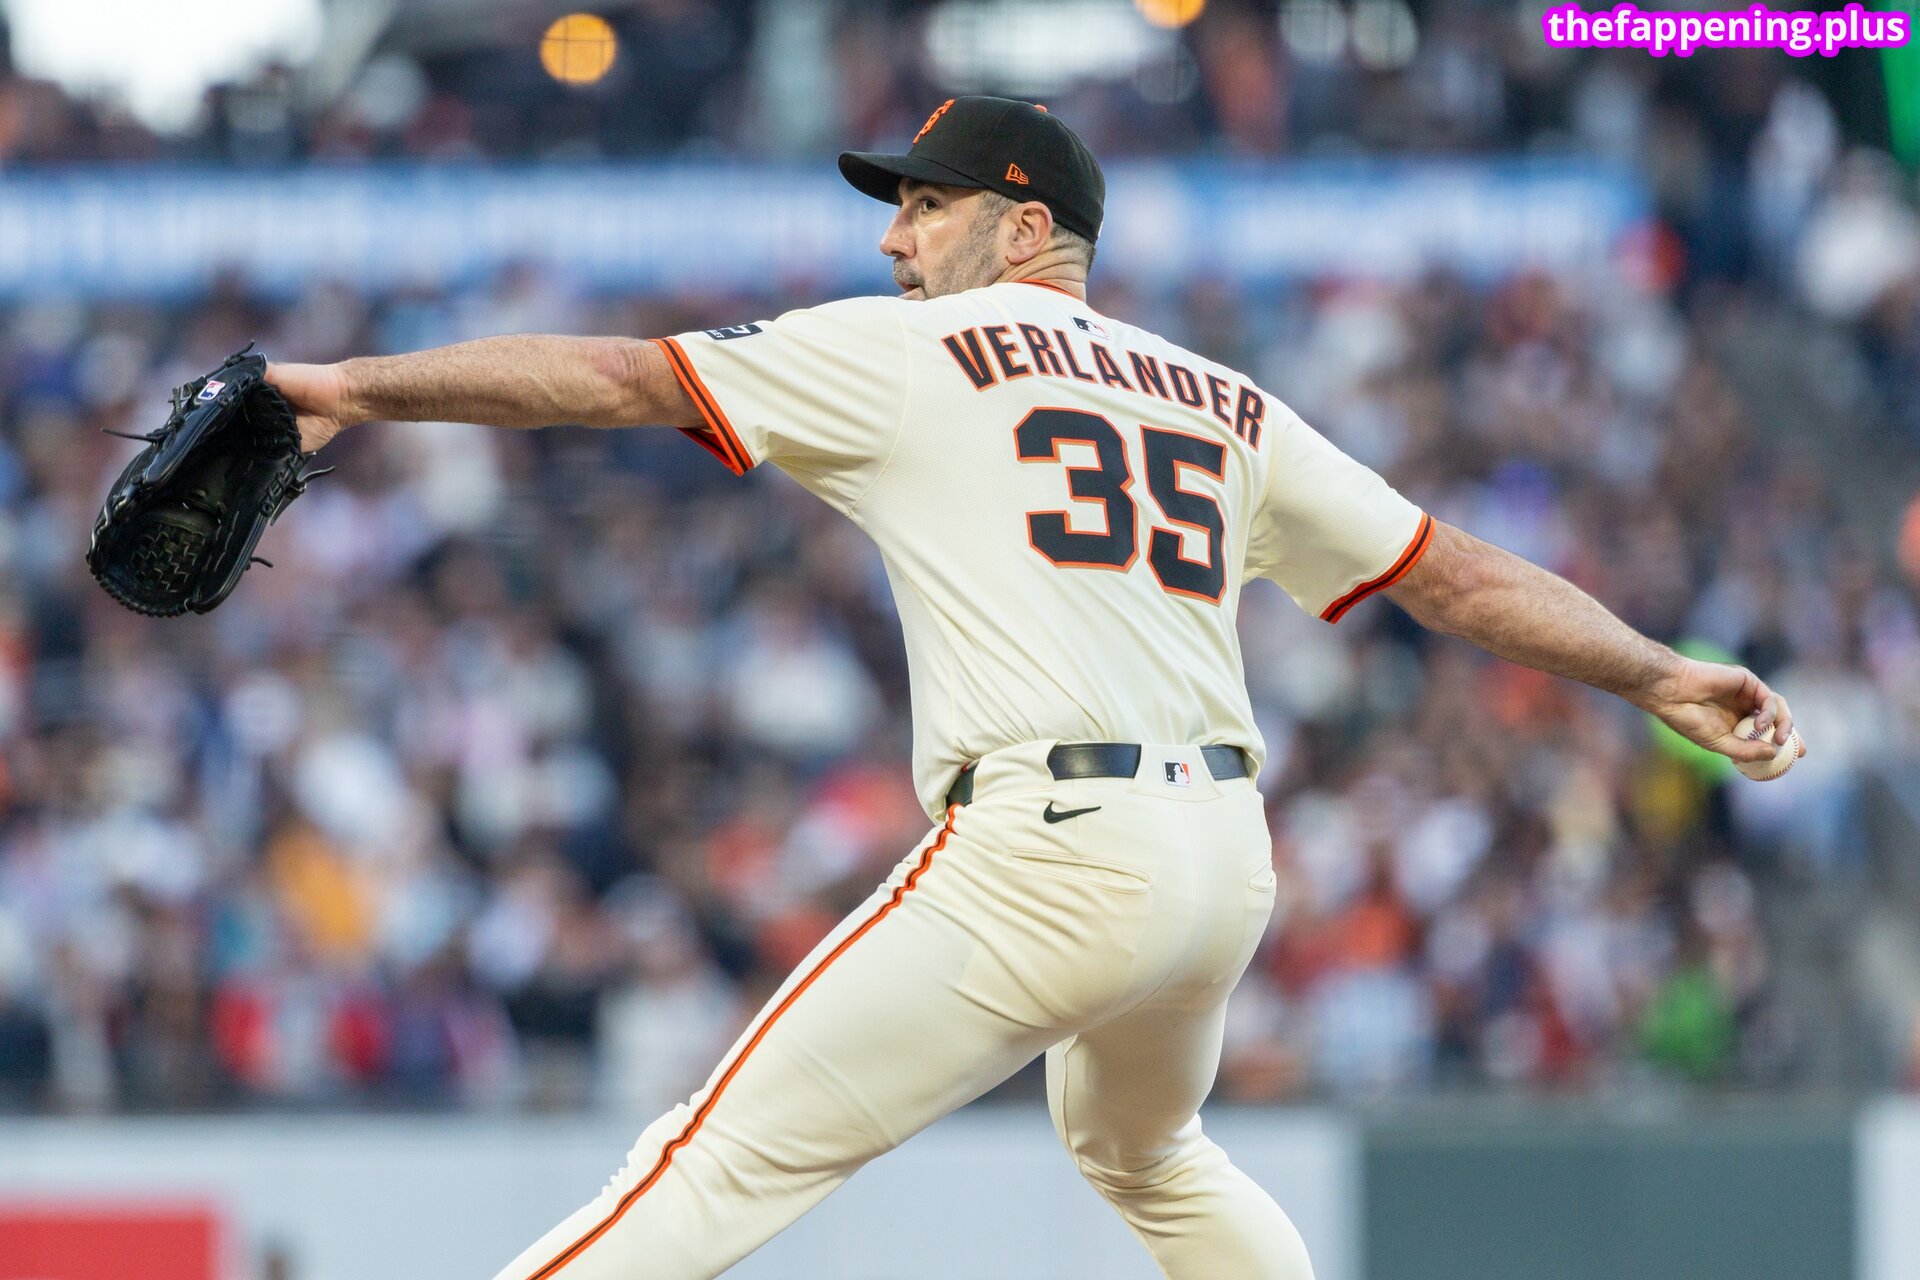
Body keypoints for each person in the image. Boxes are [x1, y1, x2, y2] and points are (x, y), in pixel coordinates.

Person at [266, 96, 1800, 1280]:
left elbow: (618, 378)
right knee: (1146, 1152)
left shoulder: (914, 354)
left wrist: (350, 388)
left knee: (715, 1163)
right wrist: (1658, 669)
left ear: (1021, 227)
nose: (893, 242)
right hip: (1220, 859)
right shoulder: (1225, 399)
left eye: (922, 205)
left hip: (1051, 847)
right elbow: (1450, 572)